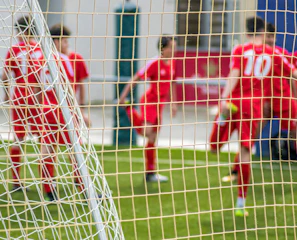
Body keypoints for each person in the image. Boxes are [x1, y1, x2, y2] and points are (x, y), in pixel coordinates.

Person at [209, 16, 297, 217]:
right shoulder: (273, 53)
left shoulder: (240, 49)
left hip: (235, 100)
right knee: (247, 148)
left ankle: (222, 121)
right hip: (254, 105)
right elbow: (292, 72)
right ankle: (241, 203)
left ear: (247, 31)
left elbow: (234, 74)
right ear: (262, 32)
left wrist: (223, 98)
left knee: (214, 147)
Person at [39, 24, 90, 201]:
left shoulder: (42, 58)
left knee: (47, 149)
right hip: (63, 110)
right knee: (75, 150)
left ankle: (49, 190)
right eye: (64, 41)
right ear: (56, 41)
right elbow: (69, 88)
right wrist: (80, 112)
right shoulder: (62, 59)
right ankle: (84, 190)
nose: (67, 44)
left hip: (46, 109)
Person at [119, 36, 178, 183]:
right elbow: (136, 78)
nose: (174, 50)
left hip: (160, 104)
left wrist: (173, 103)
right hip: (150, 102)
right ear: (163, 48)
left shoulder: (172, 63)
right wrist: (122, 97)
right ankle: (129, 109)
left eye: (175, 47)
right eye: (171, 47)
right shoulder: (154, 62)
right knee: (146, 131)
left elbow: (171, 83)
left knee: (152, 138)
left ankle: (150, 173)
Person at [2, 16, 43, 191]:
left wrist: (6, 94)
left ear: (23, 31)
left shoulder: (14, 49)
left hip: (19, 97)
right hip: (37, 97)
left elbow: (4, 77)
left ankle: (17, 181)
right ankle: (47, 181)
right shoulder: (41, 49)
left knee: (18, 138)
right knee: (43, 138)